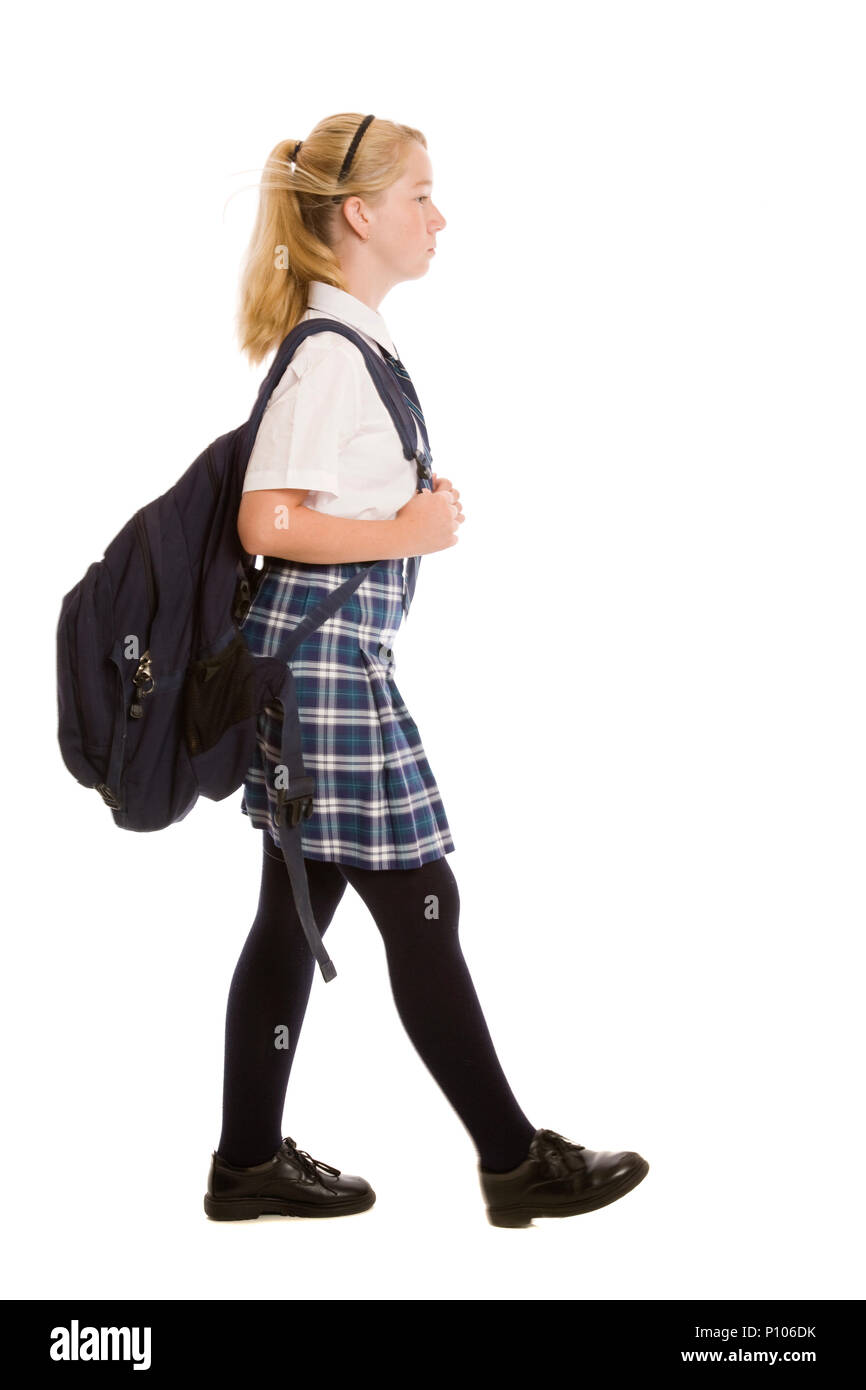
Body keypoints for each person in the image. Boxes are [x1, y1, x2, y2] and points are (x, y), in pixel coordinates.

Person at [203, 112, 649, 1228]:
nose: (437, 217)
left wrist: (407, 515)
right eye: (419, 197)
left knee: (293, 912)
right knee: (422, 902)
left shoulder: (349, 345)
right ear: (360, 214)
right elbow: (269, 518)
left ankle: (247, 1162)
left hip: (318, 662)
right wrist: (411, 527)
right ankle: (511, 1160)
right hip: (326, 672)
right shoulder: (330, 359)